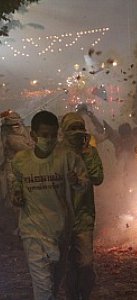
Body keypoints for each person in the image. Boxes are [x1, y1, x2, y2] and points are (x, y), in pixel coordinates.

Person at [10, 110, 88, 300]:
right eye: (45, 135)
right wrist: (16, 196)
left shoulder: (67, 158)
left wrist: (76, 180)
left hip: (60, 231)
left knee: (53, 283)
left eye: (53, 135)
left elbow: (84, 184)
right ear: (33, 135)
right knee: (43, 286)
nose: (50, 139)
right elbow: (16, 185)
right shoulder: (20, 161)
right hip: (32, 231)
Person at [60, 112, 104, 300]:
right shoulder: (56, 153)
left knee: (85, 264)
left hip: (84, 217)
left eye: (80, 128)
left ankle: (84, 294)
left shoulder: (90, 152)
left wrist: (86, 154)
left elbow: (97, 178)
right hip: (61, 219)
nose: (77, 132)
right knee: (67, 264)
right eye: (72, 128)